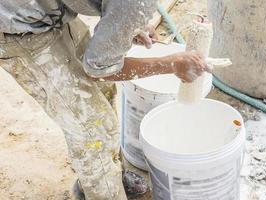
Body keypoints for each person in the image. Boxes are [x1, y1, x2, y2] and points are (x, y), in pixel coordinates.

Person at [0, 0, 210, 199]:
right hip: (18, 26)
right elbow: (97, 70)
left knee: (103, 93)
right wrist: (170, 64)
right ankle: (104, 192)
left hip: (51, 9)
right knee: (93, 131)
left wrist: (125, 22)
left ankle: (104, 177)